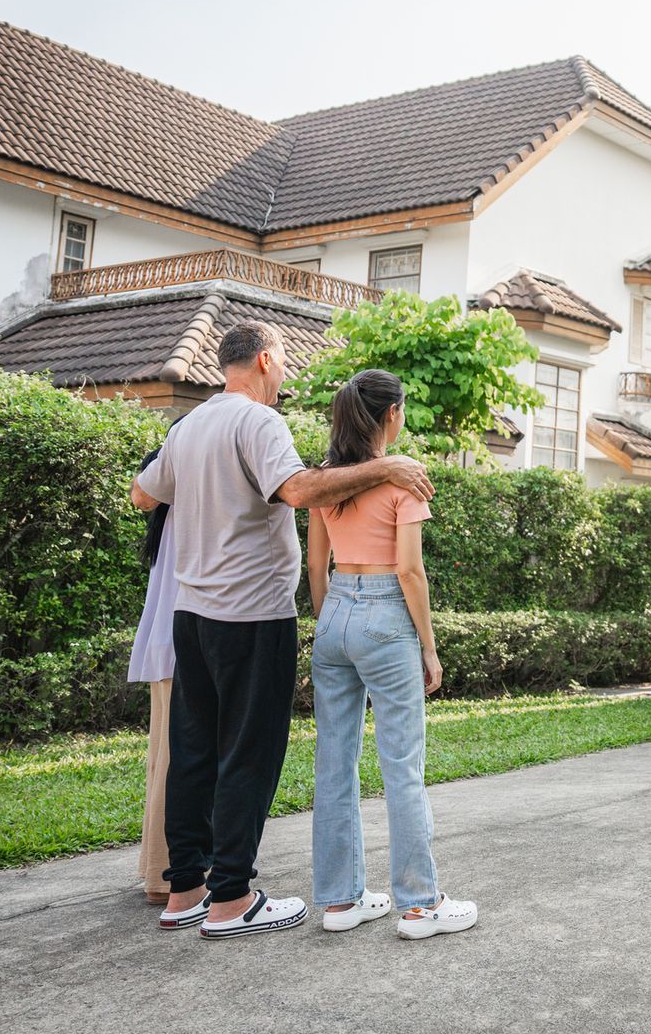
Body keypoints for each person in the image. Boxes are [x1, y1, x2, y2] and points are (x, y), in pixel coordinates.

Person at [131, 321, 432, 941]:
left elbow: (142, 494)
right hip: (250, 613)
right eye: (286, 360)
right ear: (266, 360)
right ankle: (232, 899)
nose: (287, 372)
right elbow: (299, 490)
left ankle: (184, 889)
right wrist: (388, 468)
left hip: (191, 612)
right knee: (249, 752)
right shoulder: (258, 422)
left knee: (194, 750)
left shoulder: (188, 425)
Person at [306, 369, 477, 940]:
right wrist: (428, 647)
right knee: (401, 765)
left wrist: (336, 622)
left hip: (334, 614)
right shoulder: (404, 480)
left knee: (334, 763)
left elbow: (315, 568)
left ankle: (338, 902)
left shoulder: (326, 479)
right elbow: (409, 570)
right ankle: (419, 906)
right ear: (392, 415)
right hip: (386, 613)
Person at [128, 442, 178, 905]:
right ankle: (165, 875)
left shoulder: (168, 515)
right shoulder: (187, 513)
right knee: (177, 758)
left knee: (164, 755)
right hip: (185, 646)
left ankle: (156, 868)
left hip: (169, 645)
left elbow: (139, 493)